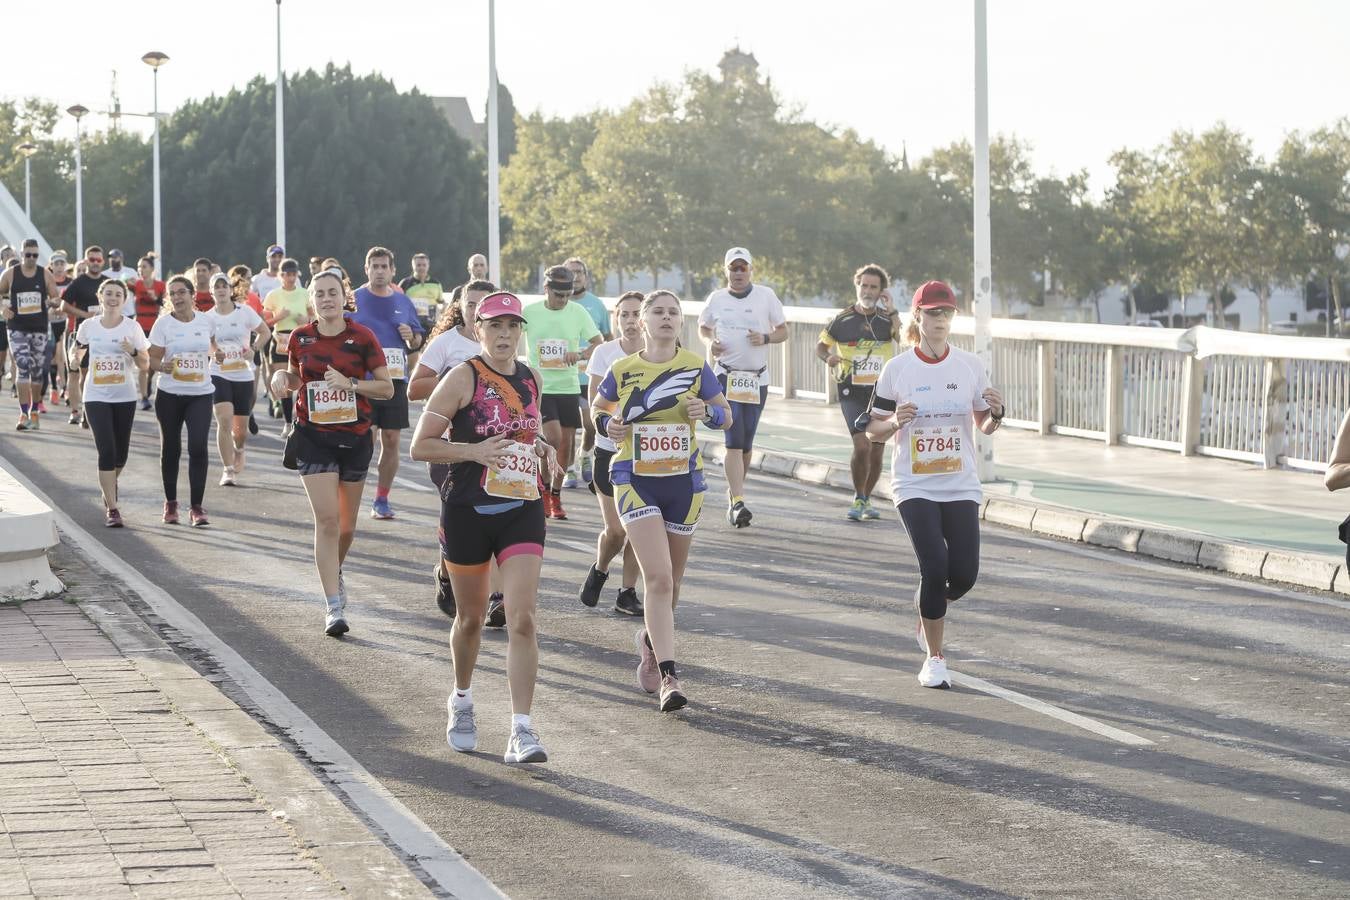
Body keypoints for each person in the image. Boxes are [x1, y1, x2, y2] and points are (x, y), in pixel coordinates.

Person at [409, 290, 556, 763]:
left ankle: (522, 730)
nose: (504, 334)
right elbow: (421, 446)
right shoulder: (461, 377)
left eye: (512, 326)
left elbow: (528, 436)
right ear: (478, 330)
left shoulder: (532, 378)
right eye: (495, 326)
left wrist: (544, 452)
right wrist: (473, 451)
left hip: (521, 507)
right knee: (470, 619)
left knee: (523, 618)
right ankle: (462, 699)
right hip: (468, 508)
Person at [593, 289, 732, 711]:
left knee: (671, 583)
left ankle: (650, 644)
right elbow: (598, 408)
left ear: (681, 323)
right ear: (642, 322)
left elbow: (725, 415)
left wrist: (704, 413)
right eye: (658, 312)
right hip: (635, 479)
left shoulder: (695, 366)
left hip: (683, 484)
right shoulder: (623, 367)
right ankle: (671, 677)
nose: (667, 318)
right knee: (657, 577)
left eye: (674, 312)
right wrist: (609, 425)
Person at [865, 280, 1005, 689]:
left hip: (960, 482)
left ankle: (928, 610)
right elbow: (872, 430)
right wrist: (895, 423)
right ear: (918, 317)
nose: (940, 320)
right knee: (934, 565)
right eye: (932, 313)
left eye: (946, 313)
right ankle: (935, 658)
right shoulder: (898, 369)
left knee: (963, 575)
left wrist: (997, 413)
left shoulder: (969, 366)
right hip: (914, 484)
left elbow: (985, 424)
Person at [271, 268, 394, 636]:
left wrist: (351, 384)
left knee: (346, 526)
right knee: (326, 521)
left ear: (344, 298)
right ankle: (333, 605)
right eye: (320, 294)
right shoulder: (300, 337)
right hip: (312, 435)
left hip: (355, 438)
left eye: (332, 293)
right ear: (312, 300)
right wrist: (282, 379)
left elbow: (386, 388)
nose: (326, 299)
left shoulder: (362, 337)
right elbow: (296, 378)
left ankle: (333, 570)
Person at [409, 279, 506, 624]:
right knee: (460, 515)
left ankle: (496, 597)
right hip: (448, 447)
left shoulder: (502, 345)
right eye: (471, 305)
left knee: (493, 511)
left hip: (493, 448)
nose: (477, 310)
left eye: (485, 305)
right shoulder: (445, 344)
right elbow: (414, 388)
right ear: (460, 308)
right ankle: (448, 571)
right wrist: (456, 380)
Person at [698, 247, 786, 528]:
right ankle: (737, 501)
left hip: (756, 379)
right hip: (726, 377)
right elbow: (703, 327)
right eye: (733, 268)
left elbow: (784, 331)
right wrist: (709, 343)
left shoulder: (766, 296)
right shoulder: (717, 298)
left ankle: (735, 494)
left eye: (742, 268)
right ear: (725, 271)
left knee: (746, 444)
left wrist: (766, 337)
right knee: (733, 440)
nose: (738, 273)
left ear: (750, 270)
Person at [817, 264, 901, 521]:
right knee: (862, 445)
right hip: (851, 390)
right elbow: (821, 347)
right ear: (857, 285)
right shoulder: (841, 319)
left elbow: (906, 339)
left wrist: (893, 309)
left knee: (877, 449)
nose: (867, 290)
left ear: (881, 291)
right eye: (863, 285)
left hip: (881, 392)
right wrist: (828, 357)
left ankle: (865, 497)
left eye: (873, 287)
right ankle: (859, 495)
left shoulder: (888, 320)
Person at [578, 291, 643, 615]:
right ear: (616, 319)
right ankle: (601, 567)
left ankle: (627, 592)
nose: (631, 322)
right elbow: (595, 407)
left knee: (639, 527)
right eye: (624, 315)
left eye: (636, 315)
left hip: (646, 455)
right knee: (617, 530)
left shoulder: (662, 355)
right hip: (610, 452)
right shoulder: (605, 354)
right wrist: (606, 428)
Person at [349, 246, 425, 520]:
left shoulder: (403, 301)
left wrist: (411, 336)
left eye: (384, 267)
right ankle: (352, 492)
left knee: (391, 439)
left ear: (393, 271)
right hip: (364, 382)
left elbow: (417, 339)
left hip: (394, 380)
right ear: (366, 269)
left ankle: (382, 498)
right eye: (375, 266)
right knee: (363, 441)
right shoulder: (354, 299)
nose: (379, 271)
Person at [521, 265, 602, 520]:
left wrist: (578, 355)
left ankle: (554, 495)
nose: (563, 300)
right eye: (558, 295)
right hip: (542, 387)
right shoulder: (530, 312)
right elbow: (511, 333)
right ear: (546, 289)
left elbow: (597, 342)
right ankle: (542, 491)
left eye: (567, 295)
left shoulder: (577, 312)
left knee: (566, 446)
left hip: (568, 386)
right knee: (552, 439)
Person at [72, 279, 150, 527]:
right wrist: (74, 359)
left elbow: (145, 365)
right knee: (106, 450)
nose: (113, 298)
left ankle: (107, 487)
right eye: (108, 293)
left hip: (124, 396)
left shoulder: (132, 327)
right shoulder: (88, 326)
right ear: (100, 296)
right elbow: (77, 350)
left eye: (118, 294)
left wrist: (134, 352)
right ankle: (113, 509)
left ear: (124, 299)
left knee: (121, 455)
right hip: (95, 395)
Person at [148, 275, 220, 528]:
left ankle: (197, 508)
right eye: (172, 294)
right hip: (170, 394)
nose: (177, 297)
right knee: (171, 448)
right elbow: (152, 358)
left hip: (200, 393)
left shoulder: (206, 321)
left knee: (198, 447)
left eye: (181, 292)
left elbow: (211, 346)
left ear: (192, 295)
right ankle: (171, 503)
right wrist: (162, 366)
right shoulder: (163, 324)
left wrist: (217, 353)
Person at [207, 272, 270, 486]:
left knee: (240, 429)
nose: (221, 290)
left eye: (224, 286)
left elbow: (265, 332)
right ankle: (227, 469)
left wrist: (253, 349)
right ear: (212, 291)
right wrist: (213, 351)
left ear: (230, 290)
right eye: (217, 287)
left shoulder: (244, 312)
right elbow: (203, 344)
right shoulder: (207, 318)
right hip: (218, 372)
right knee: (223, 420)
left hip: (243, 373)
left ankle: (239, 448)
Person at [1, 240, 64, 430]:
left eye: (34, 255)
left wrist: (52, 302)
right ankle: (23, 413)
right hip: (16, 327)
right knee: (22, 367)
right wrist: (3, 308)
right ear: (21, 254)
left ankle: (34, 411)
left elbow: (56, 298)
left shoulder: (45, 274)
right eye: (27, 254)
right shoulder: (11, 273)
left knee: (37, 372)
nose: (31, 259)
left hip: (39, 328)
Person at [563, 257, 611, 488]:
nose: (576, 276)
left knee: (590, 424)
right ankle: (569, 468)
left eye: (580, 272)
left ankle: (585, 454)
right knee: (569, 426)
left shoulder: (596, 305)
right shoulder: (556, 305)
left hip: (589, 375)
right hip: (563, 376)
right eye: (571, 272)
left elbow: (607, 337)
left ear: (586, 276)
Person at [60, 246, 110, 426]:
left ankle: (88, 411)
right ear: (86, 261)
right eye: (92, 260)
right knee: (74, 373)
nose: (95, 263)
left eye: (98, 260)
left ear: (103, 261)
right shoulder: (79, 282)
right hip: (79, 334)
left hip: (101, 336)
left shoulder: (107, 282)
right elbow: (63, 306)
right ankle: (75, 411)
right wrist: (84, 315)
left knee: (90, 374)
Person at [263, 258, 311, 433]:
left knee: (302, 381)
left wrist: (305, 320)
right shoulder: (273, 295)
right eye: (287, 275)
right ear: (280, 276)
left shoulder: (304, 293)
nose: (291, 278)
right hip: (281, 340)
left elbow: (314, 317)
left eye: (293, 274)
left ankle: (301, 419)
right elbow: (264, 322)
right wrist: (279, 316)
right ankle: (287, 423)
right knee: (284, 382)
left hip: (301, 340)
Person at [131, 255, 166, 410]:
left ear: (152, 269)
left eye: (144, 266)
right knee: (142, 364)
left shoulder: (160, 285)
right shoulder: (136, 285)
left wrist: (157, 299)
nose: (141, 270)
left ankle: (149, 381)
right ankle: (144, 397)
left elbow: (166, 303)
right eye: (139, 267)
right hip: (140, 325)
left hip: (155, 326)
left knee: (152, 364)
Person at [43, 251, 73, 408]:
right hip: (49, 323)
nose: (60, 267)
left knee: (62, 356)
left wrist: (64, 308)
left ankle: (65, 388)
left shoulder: (71, 282)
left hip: (65, 322)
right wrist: (50, 309)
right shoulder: (46, 281)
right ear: (51, 266)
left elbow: (73, 302)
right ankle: (53, 387)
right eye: (57, 264)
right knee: (52, 357)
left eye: (62, 264)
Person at [398, 252, 443, 335]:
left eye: (424, 265)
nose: (421, 268)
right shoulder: (405, 283)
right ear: (413, 266)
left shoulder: (436, 283)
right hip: (412, 325)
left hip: (432, 325)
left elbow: (441, 302)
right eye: (418, 265)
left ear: (428, 266)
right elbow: (398, 304)